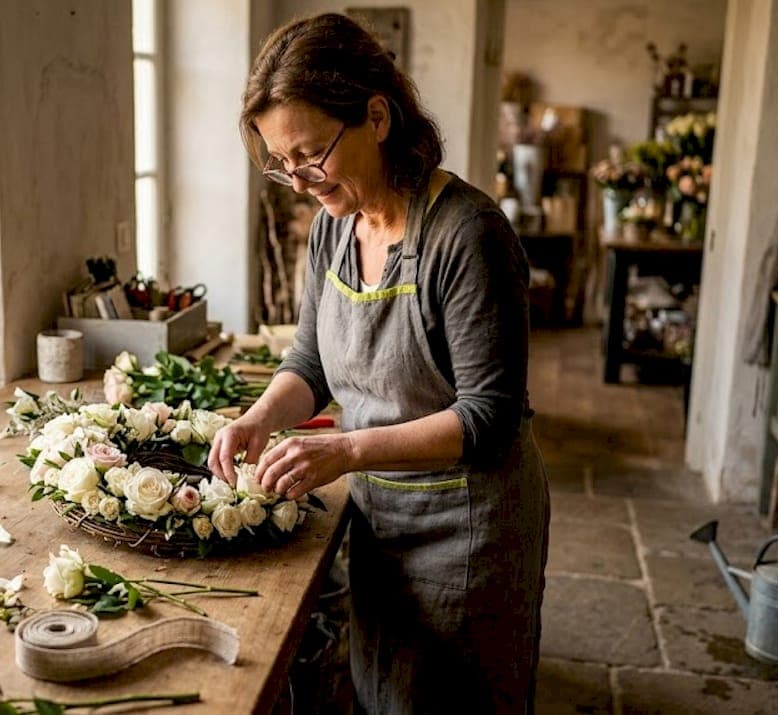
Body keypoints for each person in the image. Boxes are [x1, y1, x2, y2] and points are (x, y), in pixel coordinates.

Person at [206, 13, 550, 714]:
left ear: (376, 116)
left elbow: (490, 417)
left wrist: (348, 449)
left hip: (470, 533)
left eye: (311, 155)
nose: (299, 182)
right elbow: (310, 361)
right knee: (383, 693)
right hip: (383, 517)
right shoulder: (336, 228)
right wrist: (260, 417)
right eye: (282, 164)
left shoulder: (468, 235)